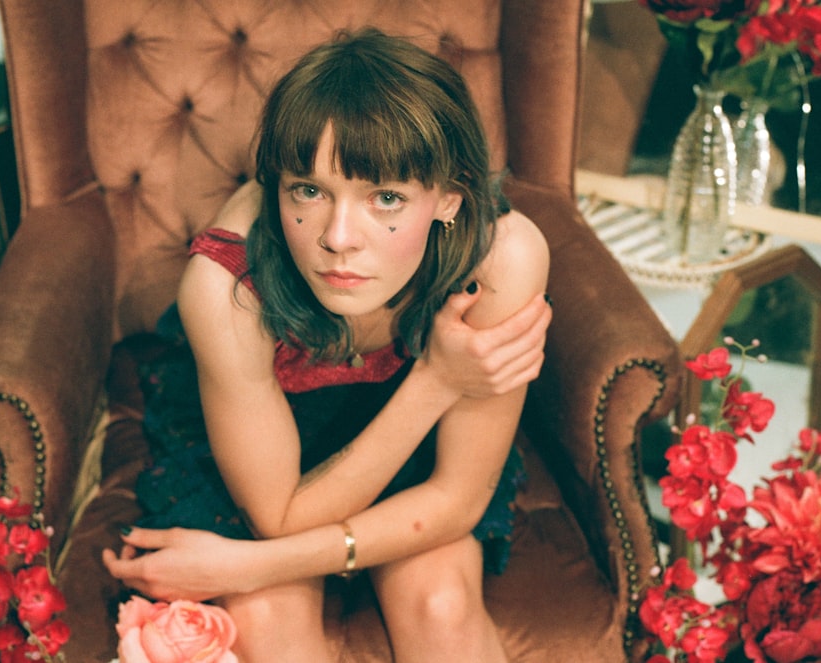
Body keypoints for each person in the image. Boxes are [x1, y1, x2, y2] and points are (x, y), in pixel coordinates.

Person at [103, 28, 551, 662]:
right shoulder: (227, 288)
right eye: (308, 191)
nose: (339, 238)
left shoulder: (503, 259)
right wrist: (437, 382)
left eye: (386, 198)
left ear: (450, 197)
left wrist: (240, 568)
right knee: (268, 624)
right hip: (269, 454)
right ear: (275, 182)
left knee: (442, 606)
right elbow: (276, 517)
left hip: (417, 441)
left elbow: (455, 496)